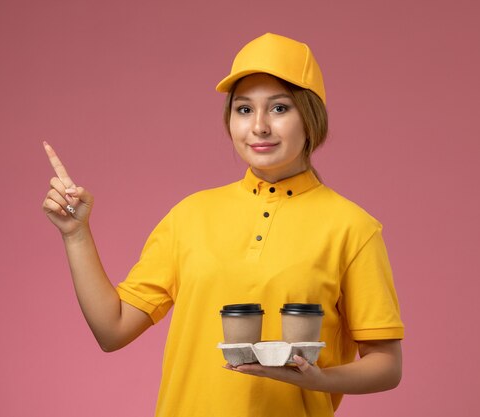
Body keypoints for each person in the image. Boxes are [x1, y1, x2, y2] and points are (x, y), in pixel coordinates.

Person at [42, 33, 404, 417]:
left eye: (280, 108)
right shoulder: (191, 215)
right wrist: (76, 234)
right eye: (244, 110)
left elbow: (387, 365)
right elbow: (112, 330)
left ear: (311, 116)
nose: (259, 127)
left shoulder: (353, 228)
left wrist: (319, 380)